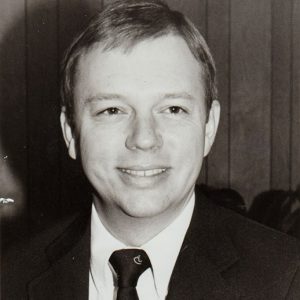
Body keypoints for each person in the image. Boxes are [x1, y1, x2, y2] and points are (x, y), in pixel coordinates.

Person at [3, 0, 300, 299]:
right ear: (70, 132)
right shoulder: (9, 278)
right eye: (112, 110)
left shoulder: (288, 277)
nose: (143, 139)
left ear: (208, 127)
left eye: (173, 108)